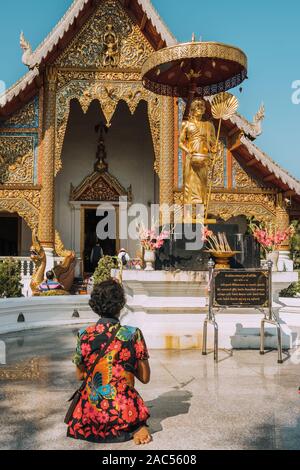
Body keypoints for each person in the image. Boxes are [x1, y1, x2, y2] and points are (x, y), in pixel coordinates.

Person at [67, 279, 152, 445]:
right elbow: (145, 378)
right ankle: (135, 426)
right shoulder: (132, 334)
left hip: (90, 415)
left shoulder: (83, 334)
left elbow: (79, 376)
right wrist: (124, 366)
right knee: (127, 394)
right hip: (123, 411)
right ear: (121, 305)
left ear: (95, 305)